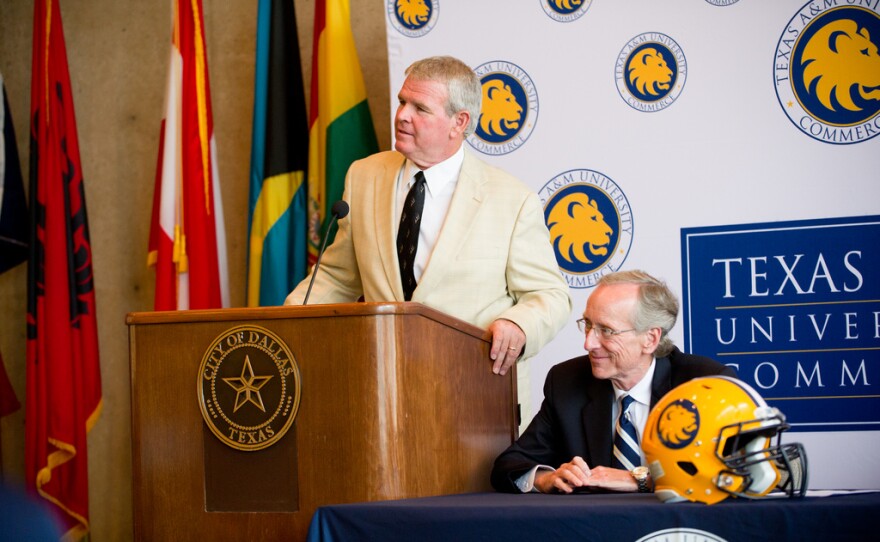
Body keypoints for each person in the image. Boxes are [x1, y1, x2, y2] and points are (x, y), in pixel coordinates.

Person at [285, 56, 571, 420]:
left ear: (459, 122)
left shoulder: (512, 200)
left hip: (476, 398)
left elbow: (550, 295)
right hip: (383, 393)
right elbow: (338, 276)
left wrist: (518, 324)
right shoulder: (364, 175)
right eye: (403, 101)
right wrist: (285, 323)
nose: (402, 115)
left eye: (420, 107)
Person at [490, 270, 737, 494]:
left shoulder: (706, 384)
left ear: (650, 339)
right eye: (587, 325)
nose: (588, 344)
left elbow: (734, 471)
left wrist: (642, 479)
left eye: (607, 330)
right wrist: (546, 478)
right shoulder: (567, 382)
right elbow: (509, 465)